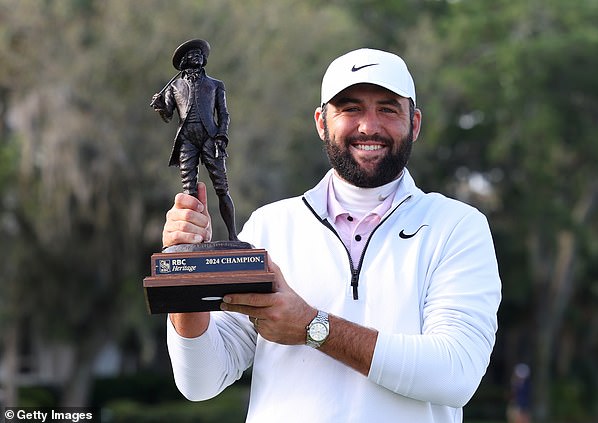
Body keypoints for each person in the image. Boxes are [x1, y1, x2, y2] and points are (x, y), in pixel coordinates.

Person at [163, 48, 502, 423]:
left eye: (388, 109)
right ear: (322, 122)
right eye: (351, 108)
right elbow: (201, 381)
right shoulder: (270, 226)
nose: (369, 126)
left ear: (415, 123)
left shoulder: (455, 227)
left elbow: (455, 373)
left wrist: (312, 327)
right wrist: (185, 273)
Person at [151, 38, 238, 241]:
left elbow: (224, 114)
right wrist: (160, 106)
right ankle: (195, 240)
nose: (196, 56)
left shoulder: (216, 85)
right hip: (187, 140)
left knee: (222, 187)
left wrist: (221, 137)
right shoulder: (174, 87)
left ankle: (233, 236)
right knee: (189, 191)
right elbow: (168, 116)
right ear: (184, 62)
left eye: (199, 54)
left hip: (210, 137)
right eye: (191, 54)